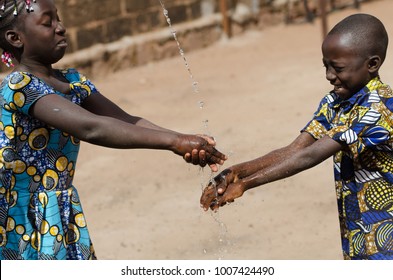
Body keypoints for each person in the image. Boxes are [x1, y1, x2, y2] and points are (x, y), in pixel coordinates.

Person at [0, 0, 227, 260]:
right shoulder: (19, 86)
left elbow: (125, 120)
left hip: (56, 207)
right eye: (47, 22)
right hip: (20, 218)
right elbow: (92, 127)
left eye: (59, 19)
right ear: (15, 38)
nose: (60, 28)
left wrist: (185, 140)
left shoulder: (72, 81)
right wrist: (174, 141)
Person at [201, 13, 393, 260]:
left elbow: (310, 155)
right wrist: (236, 172)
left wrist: (246, 184)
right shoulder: (334, 101)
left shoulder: (380, 109)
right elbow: (295, 149)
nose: (329, 75)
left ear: (372, 64)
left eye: (338, 68)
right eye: (325, 65)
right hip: (358, 233)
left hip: (385, 236)